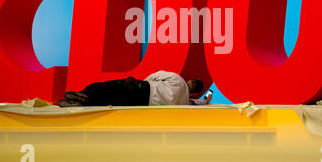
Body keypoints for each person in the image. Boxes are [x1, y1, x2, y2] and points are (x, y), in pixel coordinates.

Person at [58, 70, 212, 107]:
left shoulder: (177, 79)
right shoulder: (186, 102)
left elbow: (155, 76)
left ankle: (84, 94)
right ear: (195, 92)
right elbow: (204, 102)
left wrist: (139, 84)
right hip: (143, 103)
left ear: (190, 81)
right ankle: (83, 102)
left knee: (104, 87)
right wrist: (210, 93)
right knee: (112, 100)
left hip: (142, 89)